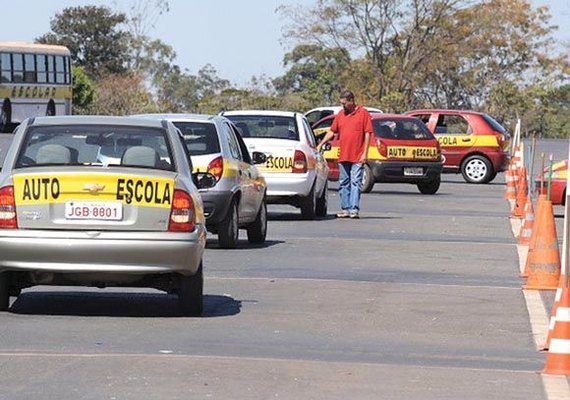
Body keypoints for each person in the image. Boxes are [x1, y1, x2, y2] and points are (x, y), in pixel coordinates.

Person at [316, 90, 372, 219]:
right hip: (344, 155)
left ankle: (354, 209)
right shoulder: (341, 115)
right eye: (341, 103)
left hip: (357, 156)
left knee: (355, 182)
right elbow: (332, 131)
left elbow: (368, 133)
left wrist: (365, 153)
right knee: (343, 182)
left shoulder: (363, 113)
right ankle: (345, 208)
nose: (343, 106)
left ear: (351, 101)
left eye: (344, 103)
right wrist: (321, 144)